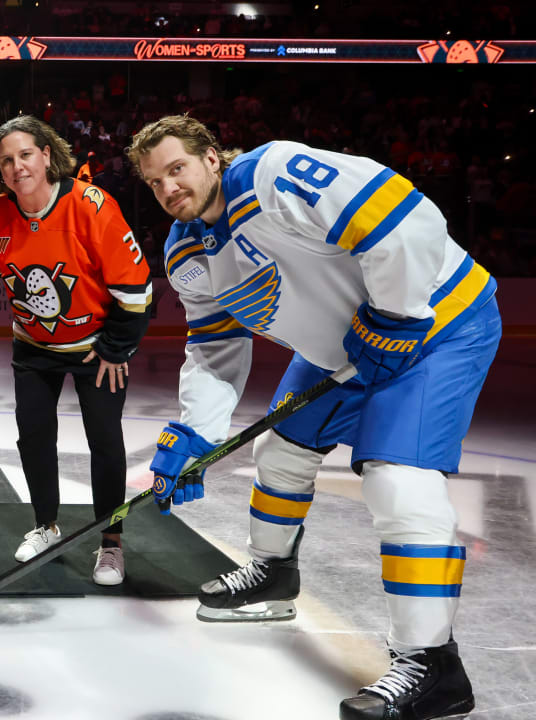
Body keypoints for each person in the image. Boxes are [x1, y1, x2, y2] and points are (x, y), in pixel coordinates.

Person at [128, 114, 498, 720]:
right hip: (348, 352)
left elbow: (405, 215)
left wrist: (398, 316)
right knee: (278, 451)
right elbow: (216, 349)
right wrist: (194, 431)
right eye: (155, 181)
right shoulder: (186, 252)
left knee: (399, 482)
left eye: (178, 168)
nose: (169, 188)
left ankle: (433, 666)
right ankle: (274, 572)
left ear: (211, 159)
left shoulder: (273, 175)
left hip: (438, 327)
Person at [0, 115, 152, 586]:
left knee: (104, 441)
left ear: (47, 154)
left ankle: (110, 542)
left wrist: (117, 349)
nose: (17, 167)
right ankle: (46, 525)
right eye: (6, 161)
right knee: (33, 438)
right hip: (33, 346)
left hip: (95, 346)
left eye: (25, 155)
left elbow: (136, 290)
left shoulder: (91, 206)